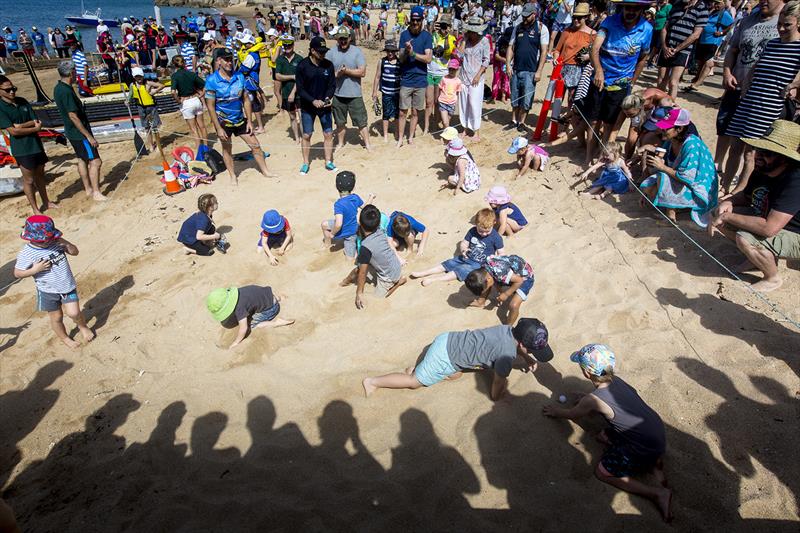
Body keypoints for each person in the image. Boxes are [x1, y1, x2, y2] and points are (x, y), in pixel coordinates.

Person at [542, 343, 671, 522]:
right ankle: (655, 464)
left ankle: (657, 494)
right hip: (656, 433)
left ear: (586, 373)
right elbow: (616, 403)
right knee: (603, 434)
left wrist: (557, 412)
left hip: (640, 447)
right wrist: (587, 399)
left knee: (603, 472)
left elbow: (572, 414)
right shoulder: (617, 380)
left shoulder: (593, 399)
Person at [708, 120, 800, 292]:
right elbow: (746, 196)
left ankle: (772, 277)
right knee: (717, 213)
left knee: (745, 237)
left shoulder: (795, 180)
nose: (758, 155)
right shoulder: (763, 168)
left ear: (785, 158)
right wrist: (729, 202)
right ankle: (756, 259)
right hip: (769, 218)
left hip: (795, 233)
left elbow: (769, 229)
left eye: (767, 152)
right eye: (759, 149)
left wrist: (728, 216)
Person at [362, 318, 554, 399]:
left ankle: (419, 368)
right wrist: (498, 397)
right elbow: (497, 383)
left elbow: (516, 345)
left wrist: (527, 359)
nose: (531, 354)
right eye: (531, 352)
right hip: (444, 355)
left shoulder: (507, 329)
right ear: (522, 345)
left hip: (449, 339)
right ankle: (373, 381)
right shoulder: (506, 357)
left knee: (455, 375)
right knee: (415, 382)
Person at [720, 1, 800, 194]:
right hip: (750, 101)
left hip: (771, 107)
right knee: (735, 147)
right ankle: (724, 187)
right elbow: (754, 69)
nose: (781, 28)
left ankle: (738, 193)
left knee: (751, 153)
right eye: (779, 23)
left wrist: (794, 86)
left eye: (787, 24)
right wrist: (746, 90)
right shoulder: (772, 43)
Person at [578, 0, 652, 163]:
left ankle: (600, 157)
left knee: (609, 122)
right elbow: (594, 48)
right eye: (628, 7)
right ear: (622, 8)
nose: (631, 11)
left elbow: (643, 57)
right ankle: (589, 156)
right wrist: (598, 70)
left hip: (621, 84)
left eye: (635, 8)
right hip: (600, 80)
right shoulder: (609, 22)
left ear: (641, 10)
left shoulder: (647, 29)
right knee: (594, 120)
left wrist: (633, 80)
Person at [13, 215, 95, 349]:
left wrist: (67, 245)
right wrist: (35, 270)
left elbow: (75, 252)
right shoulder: (27, 253)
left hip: (67, 285)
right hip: (47, 290)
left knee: (74, 312)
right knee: (56, 317)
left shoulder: (56, 241)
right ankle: (65, 338)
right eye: (43, 240)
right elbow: (17, 273)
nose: (47, 241)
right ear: (31, 238)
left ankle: (83, 327)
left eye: (49, 238)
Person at [204, 48, 273, 185]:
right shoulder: (212, 81)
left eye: (231, 59)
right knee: (227, 148)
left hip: (240, 119)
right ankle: (232, 176)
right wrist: (218, 128)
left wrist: (249, 121)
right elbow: (210, 106)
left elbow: (246, 99)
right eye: (226, 59)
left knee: (255, 145)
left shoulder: (239, 77)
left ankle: (265, 171)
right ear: (219, 61)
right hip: (223, 121)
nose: (230, 62)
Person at [640, 108, 719, 225]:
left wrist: (663, 167)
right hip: (683, 182)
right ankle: (680, 207)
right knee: (648, 187)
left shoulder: (691, 144)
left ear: (680, 128)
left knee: (663, 176)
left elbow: (687, 178)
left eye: (666, 128)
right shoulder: (671, 141)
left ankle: (671, 218)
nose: (662, 130)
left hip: (700, 189)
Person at [0, 75, 55, 215]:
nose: (12, 92)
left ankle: (46, 202)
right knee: (29, 180)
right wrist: (33, 129)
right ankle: (35, 209)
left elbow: (35, 120)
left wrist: (21, 126)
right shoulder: (1, 108)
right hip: (22, 149)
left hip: (35, 144)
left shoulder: (22, 101)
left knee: (40, 176)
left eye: (13, 88)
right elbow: (13, 131)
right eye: (8, 90)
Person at [53, 61, 106, 202]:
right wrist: (89, 136)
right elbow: (73, 116)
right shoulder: (65, 91)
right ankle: (96, 192)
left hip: (71, 132)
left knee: (81, 159)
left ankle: (88, 188)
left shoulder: (59, 88)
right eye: (76, 72)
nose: (77, 75)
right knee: (96, 161)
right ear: (71, 73)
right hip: (79, 133)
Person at [411, 208, 505, 285]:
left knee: (459, 271)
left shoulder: (496, 237)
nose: (483, 234)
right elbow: (464, 243)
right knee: (449, 263)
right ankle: (424, 273)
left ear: (494, 224)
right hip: (466, 257)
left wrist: (495, 258)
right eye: (480, 231)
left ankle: (434, 280)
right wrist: (464, 250)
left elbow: (501, 253)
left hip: (479, 265)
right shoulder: (472, 231)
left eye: (487, 231)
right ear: (476, 224)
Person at [340, 205, 407, 308]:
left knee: (379, 297)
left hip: (389, 277)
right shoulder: (380, 230)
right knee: (357, 269)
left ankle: (399, 282)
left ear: (361, 223)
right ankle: (346, 281)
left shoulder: (365, 247)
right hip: (394, 264)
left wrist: (359, 293)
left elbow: (363, 272)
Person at [295, 36, 337, 174]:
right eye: (320, 51)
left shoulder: (328, 65)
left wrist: (327, 97)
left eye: (324, 51)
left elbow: (332, 85)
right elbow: (300, 89)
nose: (323, 54)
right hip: (308, 106)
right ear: (312, 51)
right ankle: (306, 163)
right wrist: (313, 100)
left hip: (325, 106)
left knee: (328, 133)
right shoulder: (302, 66)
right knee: (307, 135)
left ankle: (328, 161)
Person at [206, 285, 294, 349]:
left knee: (252, 325)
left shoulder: (239, 308)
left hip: (270, 309)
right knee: (256, 301)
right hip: (269, 295)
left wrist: (236, 342)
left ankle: (276, 323)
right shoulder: (239, 292)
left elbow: (243, 328)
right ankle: (279, 298)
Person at [326, 27, 371, 151]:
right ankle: (341, 143)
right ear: (337, 39)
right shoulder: (331, 52)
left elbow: (362, 72)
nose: (343, 41)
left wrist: (347, 71)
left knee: (361, 122)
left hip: (354, 94)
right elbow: (326, 74)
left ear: (350, 38)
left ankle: (367, 144)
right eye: (341, 39)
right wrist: (338, 74)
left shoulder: (357, 52)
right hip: (337, 94)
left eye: (345, 38)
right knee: (340, 122)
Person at [506, 3, 550, 131]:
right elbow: (511, 47)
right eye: (523, 16)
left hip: (531, 70)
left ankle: (522, 122)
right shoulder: (518, 27)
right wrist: (508, 65)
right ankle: (513, 120)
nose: (524, 19)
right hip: (516, 68)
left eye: (527, 16)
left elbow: (544, 51)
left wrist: (539, 71)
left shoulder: (541, 28)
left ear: (534, 14)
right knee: (514, 95)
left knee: (527, 98)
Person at [657, 0, 709, 99]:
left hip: (683, 51)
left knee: (673, 82)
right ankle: (657, 106)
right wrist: (664, 46)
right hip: (666, 48)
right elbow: (665, 28)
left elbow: (696, 34)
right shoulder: (677, 4)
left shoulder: (702, 8)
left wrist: (677, 49)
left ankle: (669, 109)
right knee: (661, 79)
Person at [397, 6, 433, 147]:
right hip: (406, 79)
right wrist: (406, 52)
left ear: (422, 20)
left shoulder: (427, 36)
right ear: (410, 20)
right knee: (402, 112)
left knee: (415, 112)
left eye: (418, 20)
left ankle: (410, 137)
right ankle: (400, 138)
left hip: (420, 79)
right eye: (413, 20)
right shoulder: (404, 35)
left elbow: (428, 58)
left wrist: (413, 54)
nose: (415, 22)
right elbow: (400, 58)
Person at [466, 254, 535, 324]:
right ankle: (481, 302)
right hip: (508, 272)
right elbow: (493, 280)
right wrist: (500, 290)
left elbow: (519, 281)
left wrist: (506, 294)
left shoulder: (501, 274)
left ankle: (508, 326)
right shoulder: (484, 270)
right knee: (484, 284)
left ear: (489, 279)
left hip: (525, 277)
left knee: (513, 305)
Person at [683, 0, 735, 92]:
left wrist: (722, 32)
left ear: (723, 3)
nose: (716, 4)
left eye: (718, 3)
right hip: (703, 40)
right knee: (701, 62)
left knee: (708, 62)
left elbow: (731, 24)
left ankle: (697, 83)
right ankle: (696, 79)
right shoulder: (711, 12)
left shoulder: (724, 14)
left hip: (712, 41)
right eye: (715, 2)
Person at [552, 3, 595, 106]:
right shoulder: (567, 31)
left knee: (573, 100)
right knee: (558, 98)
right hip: (562, 68)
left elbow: (597, 54)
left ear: (586, 17)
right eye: (574, 17)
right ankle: (554, 121)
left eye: (579, 18)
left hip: (579, 70)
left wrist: (589, 56)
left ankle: (569, 121)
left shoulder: (593, 34)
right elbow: (557, 50)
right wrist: (555, 59)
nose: (576, 20)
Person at [457, 17, 491, 140]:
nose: (472, 34)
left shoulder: (484, 42)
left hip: (477, 77)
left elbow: (486, 60)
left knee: (474, 103)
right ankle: (465, 128)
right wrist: (464, 41)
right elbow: (459, 55)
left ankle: (476, 131)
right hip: (464, 76)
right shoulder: (465, 41)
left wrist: (478, 74)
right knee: (464, 103)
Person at [321, 170, 367, 258]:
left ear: (336, 186)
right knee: (349, 257)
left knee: (324, 225)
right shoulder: (355, 197)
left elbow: (338, 224)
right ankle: (329, 245)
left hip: (345, 232)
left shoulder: (339, 204)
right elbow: (365, 208)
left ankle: (327, 244)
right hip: (353, 231)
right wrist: (371, 198)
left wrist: (333, 234)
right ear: (353, 188)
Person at [171, 55, 208, 153]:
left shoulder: (175, 76)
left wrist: (178, 100)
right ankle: (206, 147)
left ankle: (199, 150)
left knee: (194, 129)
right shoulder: (191, 74)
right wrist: (202, 94)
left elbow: (173, 92)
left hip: (186, 102)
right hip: (196, 100)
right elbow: (204, 85)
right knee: (202, 126)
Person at [275, 35, 304, 143]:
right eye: (285, 45)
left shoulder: (299, 59)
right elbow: (277, 76)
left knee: (301, 116)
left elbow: (301, 78)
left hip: (299, 93)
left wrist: (293, 91)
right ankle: (296, 137)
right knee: (292, 116)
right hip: (286, 92)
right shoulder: (280, 59)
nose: (287, 47)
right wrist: (292, 76)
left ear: (293, 44)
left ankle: (303, 137)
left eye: (289, 45)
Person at [372, 39, 402, 143]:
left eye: (392, 51)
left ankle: (397, 132)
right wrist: (374, 92)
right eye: (388, 51)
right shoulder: (382, 61)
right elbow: (377, 77)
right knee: (386, 114)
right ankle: (385, 135)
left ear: (396, 52)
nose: (390, 53)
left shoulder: (399, 62)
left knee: (397, 114)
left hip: (397, 93)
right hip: (386, 92)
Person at [129, 67, 165, 153]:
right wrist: (127, 101)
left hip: (151, 107)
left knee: (155, 127)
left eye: (140, 76)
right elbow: (130, 95)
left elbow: (162, 85)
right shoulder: (132, 85)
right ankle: (151, 145)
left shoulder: (148, 83)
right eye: (137, 76)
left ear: (143, 76)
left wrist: (154, 91)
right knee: (146, 127)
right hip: (141, 108)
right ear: (134, 77)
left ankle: (158, 145)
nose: (139, 78)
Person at [237, 32, 266, 135]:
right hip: (254, 79)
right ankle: (258, 125)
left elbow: (244, 69)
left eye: (246, 43)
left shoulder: (251, 55)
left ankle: (258, 126)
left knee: (252, 103)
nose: (245, 45)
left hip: (249, 81)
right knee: (253, 102)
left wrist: (237, 73)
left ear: (251, 44)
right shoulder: (256, 53)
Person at [438, 58, 462, 127]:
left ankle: (445, 134)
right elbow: (440, 88)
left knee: (447, 122)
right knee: (445, 122)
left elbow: (457, 92)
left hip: (452, 104)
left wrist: (454, 101)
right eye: (450, 69)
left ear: (457, 69)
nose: (451, 71)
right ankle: (447, 137)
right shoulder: (444, 78)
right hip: (443, 102)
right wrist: (439, 98)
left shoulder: (458, 81)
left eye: (453, 69)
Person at [648, 0, 673, 67]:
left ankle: (652, 60)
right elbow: (654, 15)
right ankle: (650, 60)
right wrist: (658, 8)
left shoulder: (669, 6)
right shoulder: (659, 6)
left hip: (662, 29)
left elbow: (669, 17)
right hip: (655, 28)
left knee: (657, 46)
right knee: (652, 44)